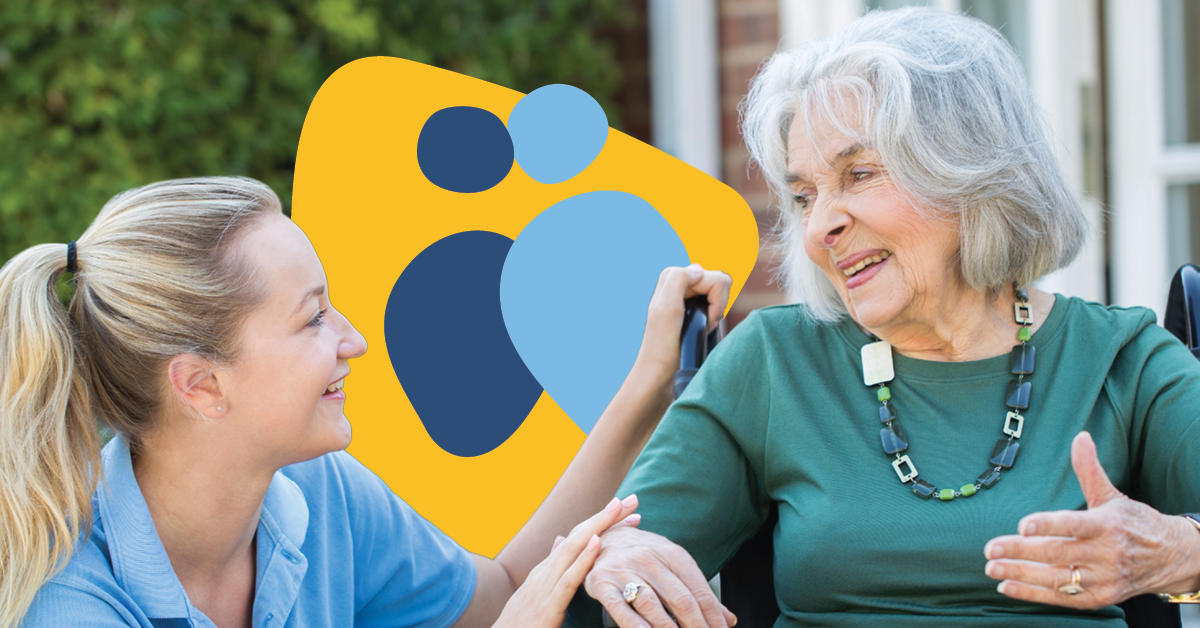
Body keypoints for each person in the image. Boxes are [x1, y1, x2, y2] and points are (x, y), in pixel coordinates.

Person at [567, 8, 1200, 628]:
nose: (820, 227)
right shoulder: (774, 363)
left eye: (859, 174)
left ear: (970, 171)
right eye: (804, 196)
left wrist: (1179, 553)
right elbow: (597, 584)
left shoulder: (1122, 360)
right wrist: (615, 559)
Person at [0, 176, 735, 628]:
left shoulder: (316, 497)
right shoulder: (69, 601)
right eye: (313, 316)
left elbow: (499, 595)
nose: (353, 340)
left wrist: (647, 384)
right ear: (201, 385)